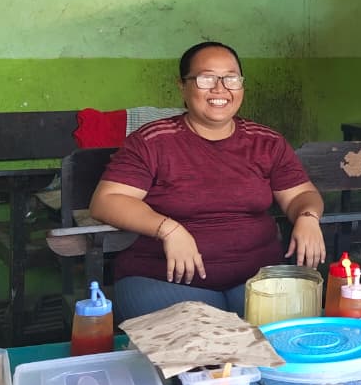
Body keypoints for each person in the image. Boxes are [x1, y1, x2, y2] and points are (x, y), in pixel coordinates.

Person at [89, 41, 327, 321]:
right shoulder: (153, 141)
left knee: (282, 339)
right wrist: (169, 230)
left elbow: (300, 194)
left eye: (231, 78)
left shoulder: (266, 142)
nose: (220, 89)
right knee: (199, 343)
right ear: (183, 86)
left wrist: (308, 217)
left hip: (257, 278)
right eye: (206, 78)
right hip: (164, 278)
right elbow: (107, 200)